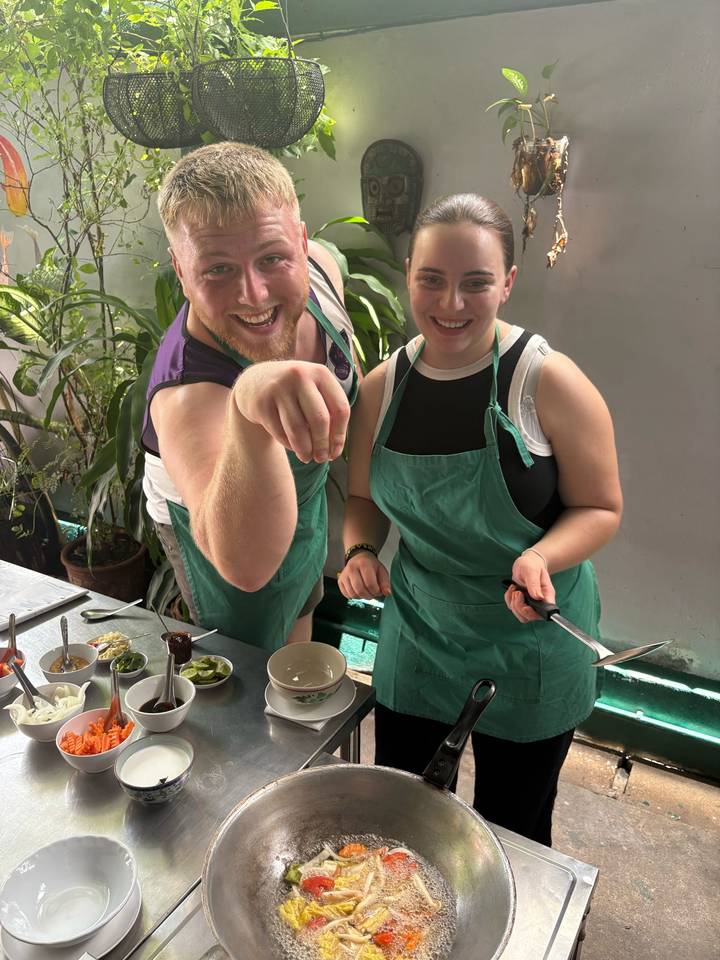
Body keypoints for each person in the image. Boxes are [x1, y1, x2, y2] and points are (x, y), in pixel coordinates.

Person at [338, 193, 622, 846]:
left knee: (511, 830)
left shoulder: (546, 382)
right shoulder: (383, 388)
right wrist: (359, 553)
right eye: (431, 280)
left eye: (476, 283)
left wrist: (542, 558)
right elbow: (362, 501)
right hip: (421, 630)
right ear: (408, 274)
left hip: (531, 637)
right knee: (402, 821)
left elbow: (600, 507)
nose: (452, 304)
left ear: (508, 284)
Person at [141, 142, 358, 651]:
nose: (254, 296)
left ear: (303, 243)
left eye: (273, 258)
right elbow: (246, 567)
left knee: (302, 607)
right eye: (217, 269)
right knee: (247, 657)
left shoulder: (322, 271)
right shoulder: (186, 394)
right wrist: (245, 408)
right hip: (220, 517)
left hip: (305, 495)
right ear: (180, 269)